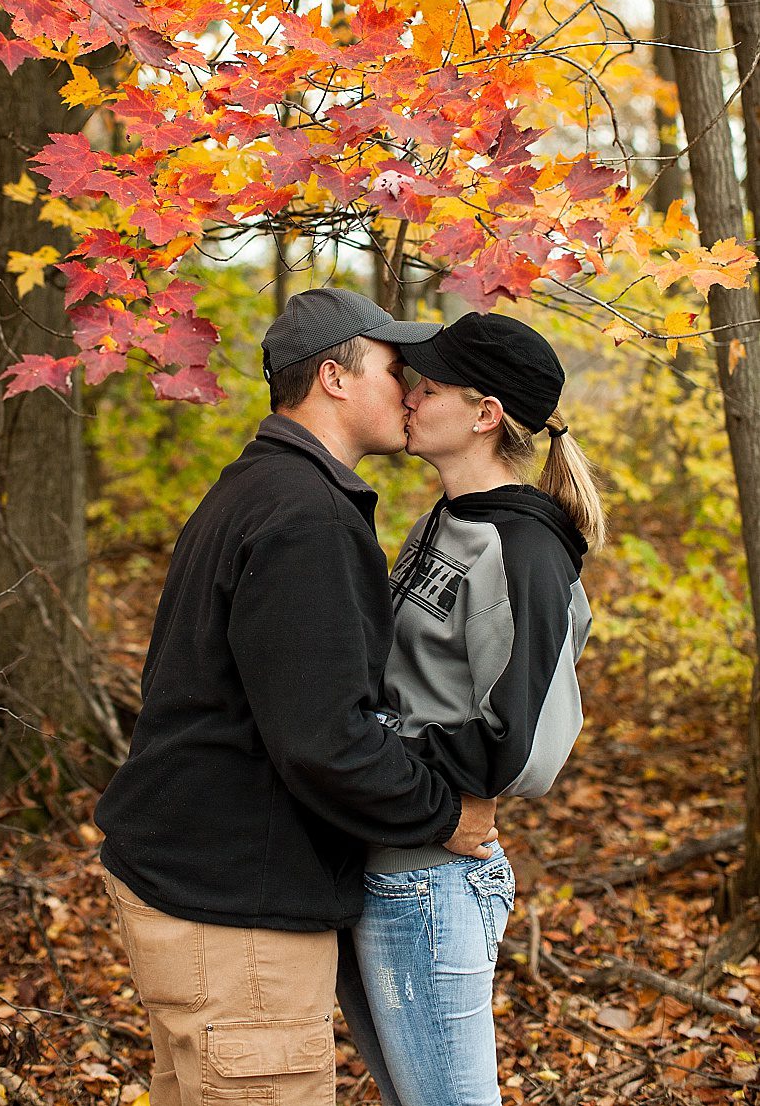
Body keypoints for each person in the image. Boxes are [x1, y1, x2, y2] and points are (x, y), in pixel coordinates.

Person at [95, 287, 498, 1106]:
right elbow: (326, 741)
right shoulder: (308, 516)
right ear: (334, 378)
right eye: (395, 368)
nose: (411, 390)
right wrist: (446, 814)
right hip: (233, 913)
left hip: (192, 882)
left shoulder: (260, 487)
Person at [336, 311, 605, 1106]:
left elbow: (523, 745)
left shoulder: (524, 550)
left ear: (485, 414)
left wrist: (376, 748)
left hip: (431, 883)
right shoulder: (442, 522)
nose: (409, 397)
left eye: (431, 386)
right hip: (384, 859)